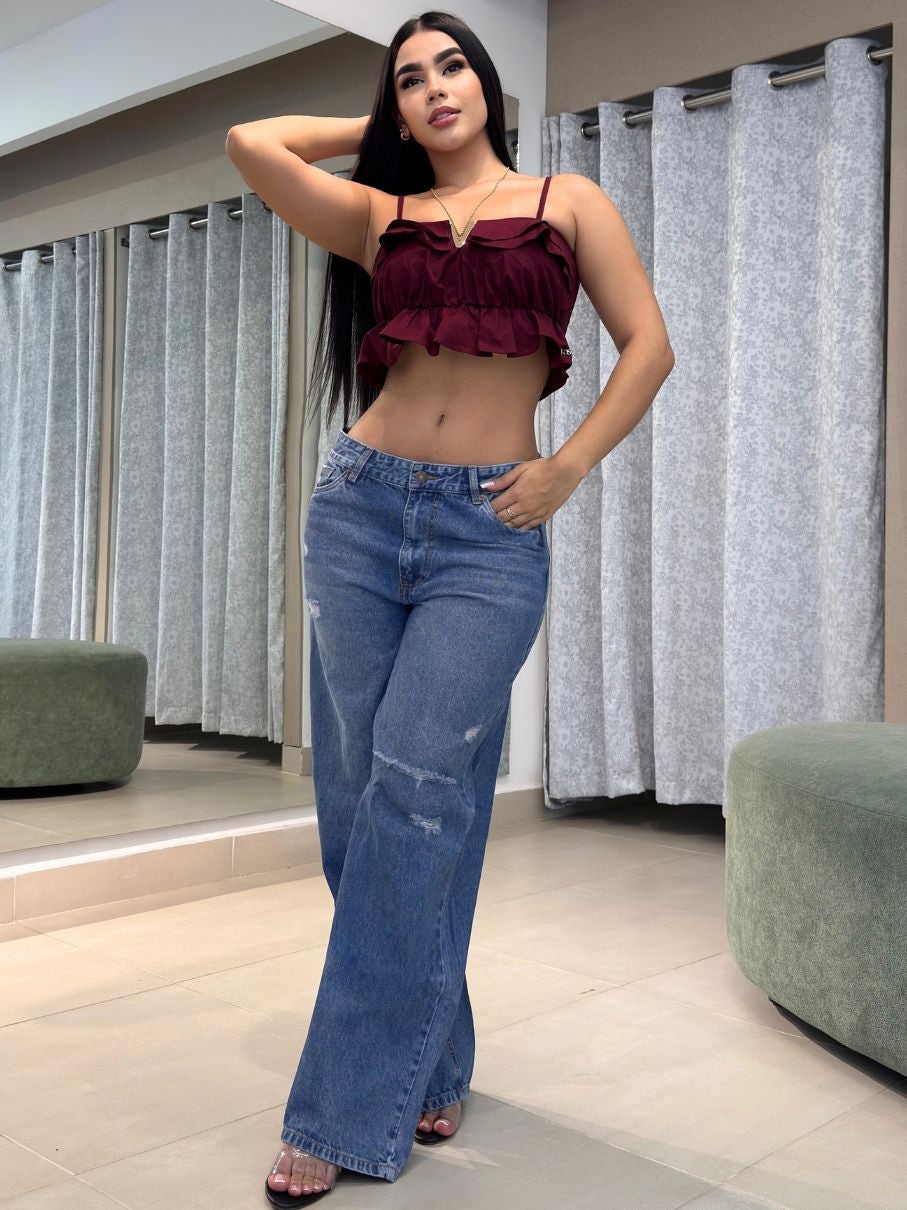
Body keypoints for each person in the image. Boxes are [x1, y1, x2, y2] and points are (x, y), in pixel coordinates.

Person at [226, 10, 674, 1203]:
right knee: (359, 807)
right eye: (411, 78)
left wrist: (566, 467)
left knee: (416, 793)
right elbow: (251, 143)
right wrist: (372, 125)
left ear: (487, 84)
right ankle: (435, 1055)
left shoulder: (568, 201)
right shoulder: (381, 216)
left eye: (453, 66)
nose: (435, 87)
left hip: (489, 531)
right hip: (360, 510)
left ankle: (337, 1113)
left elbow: (647, 345)